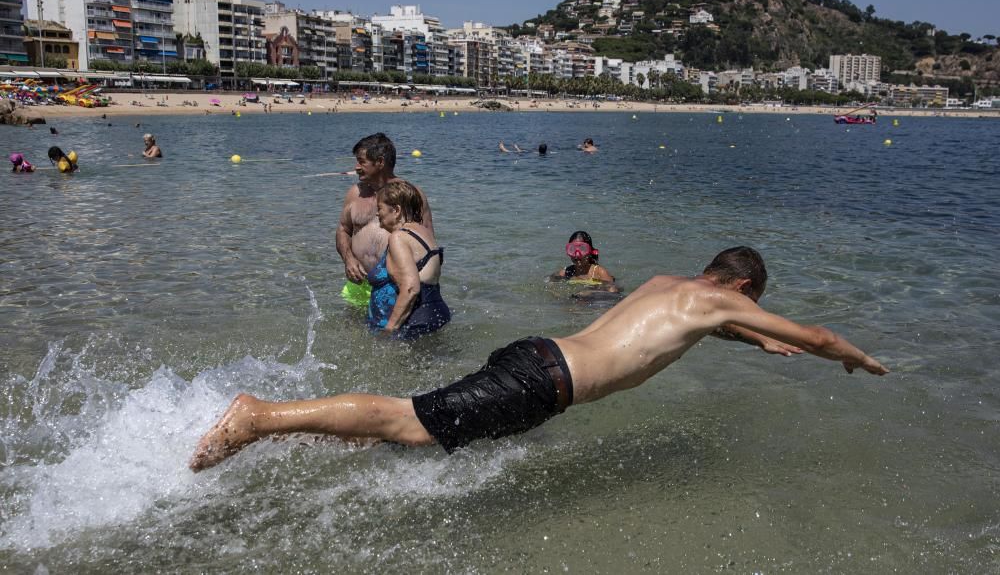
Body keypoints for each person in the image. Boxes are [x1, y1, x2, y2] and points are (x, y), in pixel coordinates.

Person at [189, 247, 889, 471]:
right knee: (406, 421)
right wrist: (855, 359)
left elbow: (679, 329)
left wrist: (753, 337)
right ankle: (260, 417)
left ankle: (306, 437)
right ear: (741, 286)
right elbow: (820, 335)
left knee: (427, 439)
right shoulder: (723, 300)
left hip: (537, 357)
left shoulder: (673, 287)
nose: (753, 313)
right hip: (542, 380)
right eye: (754, 304)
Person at [336, 133, 433, 307]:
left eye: (361, 161)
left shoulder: (411, 195)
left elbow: (428, 244)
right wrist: (348, 259)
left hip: (393, 287)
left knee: (388, 333)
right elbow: (343, 230)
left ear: (380, 162)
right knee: (350, 331)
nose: (356, 167)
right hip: (358, 283)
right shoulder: (354, 193)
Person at [367, 181, 450, 338]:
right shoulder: (424, 233)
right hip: (434, 315)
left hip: (416, 322)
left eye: (380, 208)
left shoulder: (399, 237)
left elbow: (411, 288)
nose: (377, 214)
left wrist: (389, 329)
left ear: (396, 210)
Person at [551, 231, 620, 297]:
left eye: (582, 249)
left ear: (590, 252)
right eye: (572, 249)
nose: (577, 255)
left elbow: (614, 291)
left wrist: (590, 292)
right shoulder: (567, 272)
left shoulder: (599, 272)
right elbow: (550, 281)